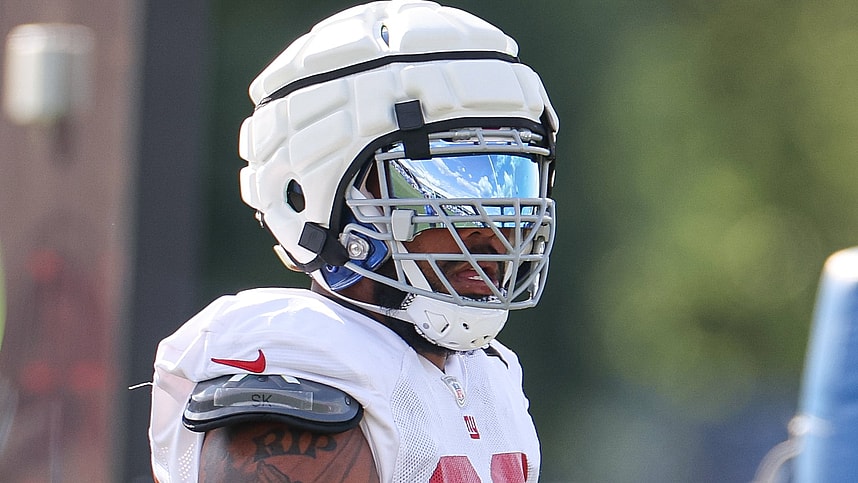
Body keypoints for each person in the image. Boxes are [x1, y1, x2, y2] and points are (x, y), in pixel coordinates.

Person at [148, 1, 559, 481]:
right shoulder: (305, 384)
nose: (492, 231)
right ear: (318, 194)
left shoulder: (489, 378)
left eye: (513, 181)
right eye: (452, 184)